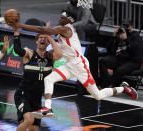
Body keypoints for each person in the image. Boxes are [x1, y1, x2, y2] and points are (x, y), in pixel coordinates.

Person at [9, 10, 138, 118]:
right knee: (49, 79)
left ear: (69, 19)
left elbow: (43, 29)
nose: (59, 19)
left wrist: (20, 26)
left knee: (97, 96)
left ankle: (124, 88)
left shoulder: (66, 29)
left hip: (79, 65)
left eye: (62, 17)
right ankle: (47, 108)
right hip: (70, 64)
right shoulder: (62, 33)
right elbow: (61, 49)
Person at [13, 25, 62, 131]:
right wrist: (16, 33)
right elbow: (17, 50)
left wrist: (51, 38)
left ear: (48, 42)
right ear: (36, 41)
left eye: (46, 38)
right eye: (41, 38)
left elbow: (59, 55)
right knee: (29, 120)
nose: (43, 39)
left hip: (37, 98)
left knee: (34, 128)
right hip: (23, 95)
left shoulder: (50, 57)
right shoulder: (29, 53)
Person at [99, 19, 143, 88]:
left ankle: (104, 85)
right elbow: (109, 50)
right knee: (102, 61)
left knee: (119, 70)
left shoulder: (136, 36)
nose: (125, 28)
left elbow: (136, 51)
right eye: (124, 26)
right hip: (121, 58)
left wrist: (126, 40)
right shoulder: (120, 34)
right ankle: (106, 82)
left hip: (133, 61)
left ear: (131, 27)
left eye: (127, 26)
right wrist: (113, 36)